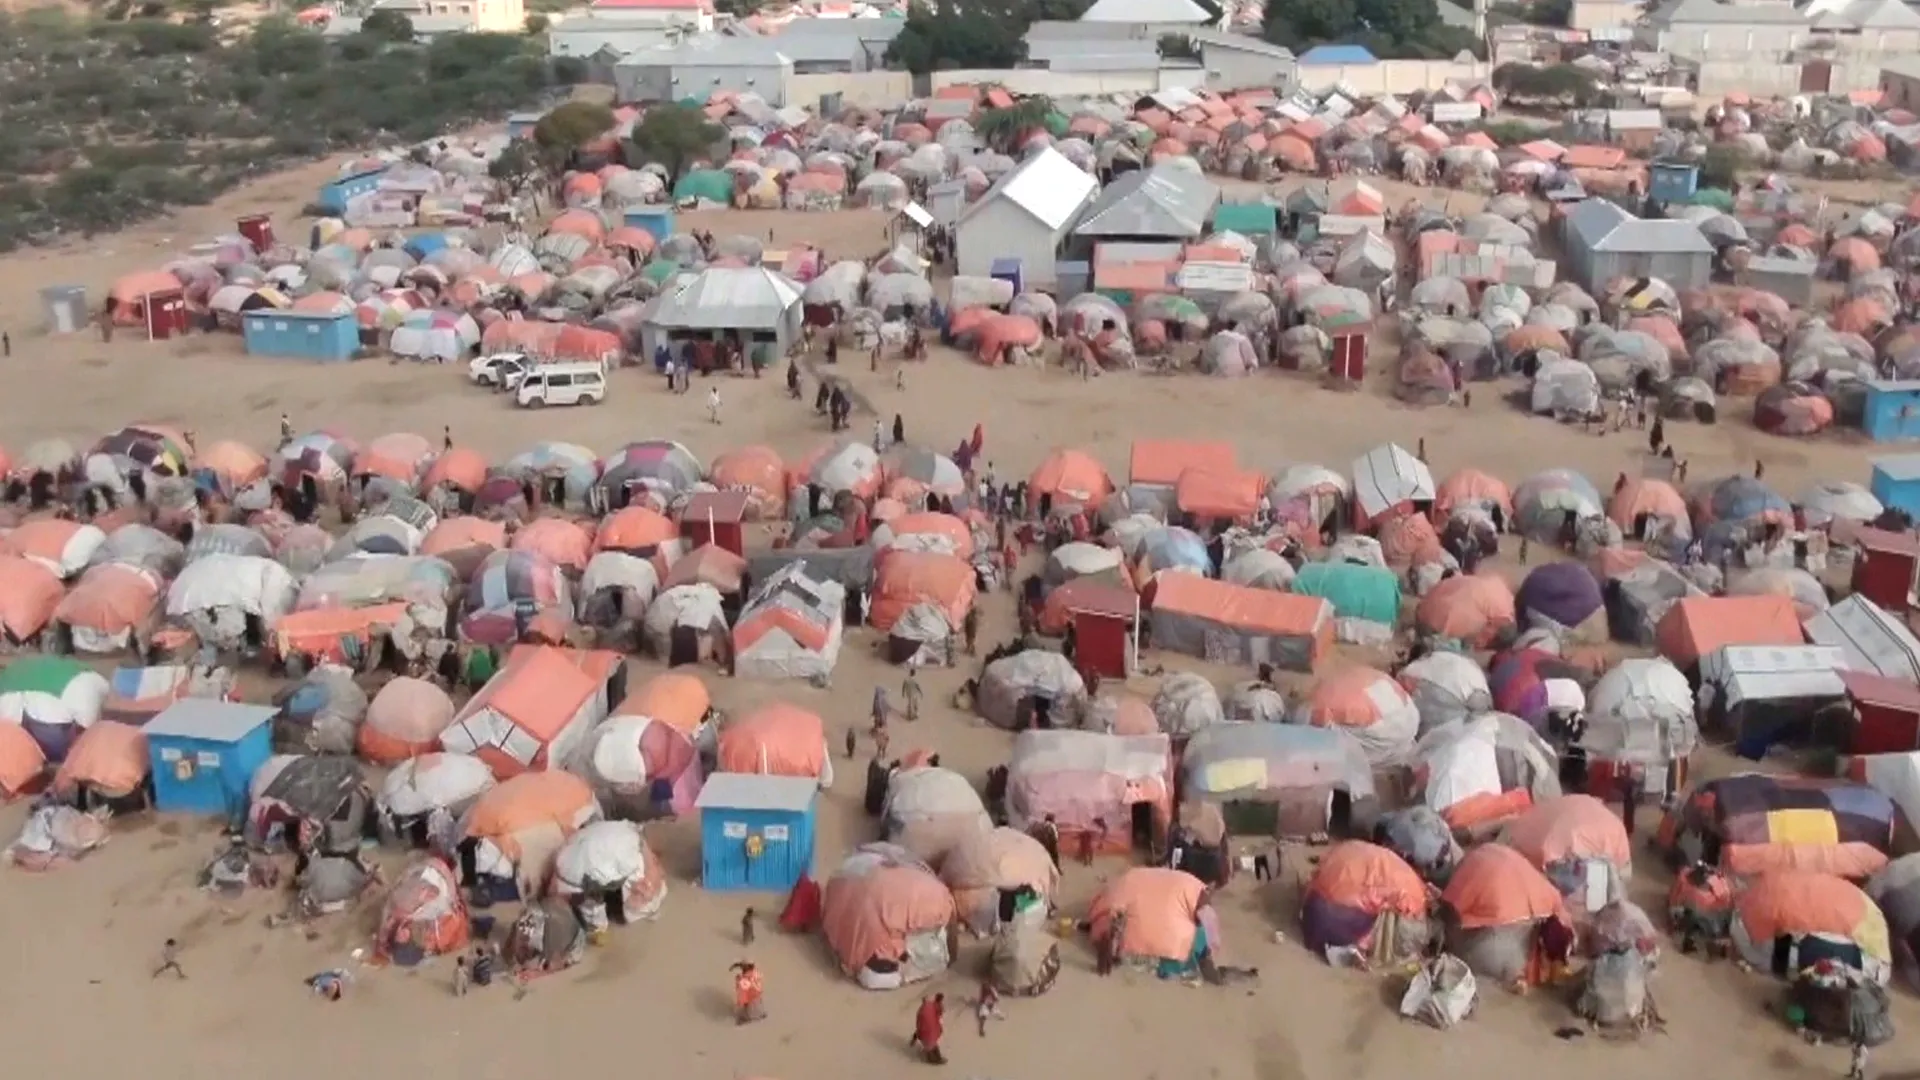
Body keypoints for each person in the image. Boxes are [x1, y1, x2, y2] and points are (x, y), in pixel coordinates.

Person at [911, 993, 946, 1064]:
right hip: (931, 1031)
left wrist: (914, 1039)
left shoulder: (924, 1009)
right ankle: (935, 1060)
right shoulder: (934, 1006)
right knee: (933, 1046)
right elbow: (940, 1013)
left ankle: (934, 1059)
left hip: (926, 1031)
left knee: (930, 1046)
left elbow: (919, 1025)